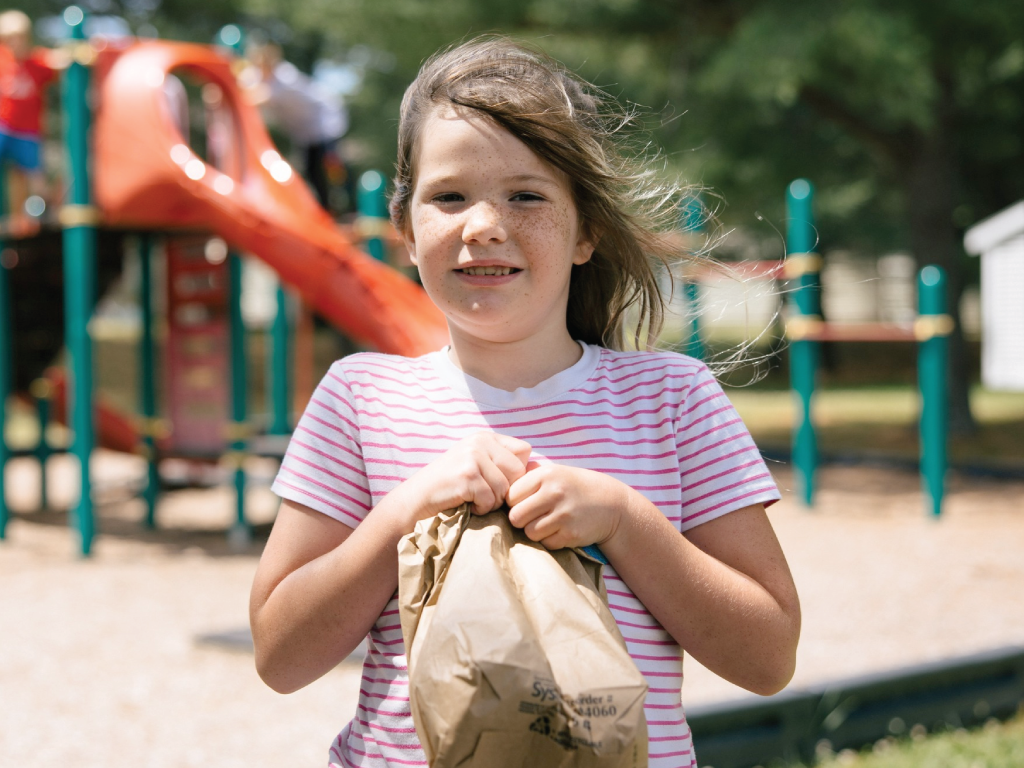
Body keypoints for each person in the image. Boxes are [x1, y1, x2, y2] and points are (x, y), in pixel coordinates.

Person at [250, 37, 801, 768]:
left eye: (527, 195)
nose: (482, 224)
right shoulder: (359, 400)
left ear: (587, 231)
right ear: (407, 231)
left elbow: (767, 658)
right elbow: (280, 656)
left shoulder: (673, 401)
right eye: (449, 196)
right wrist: (406, 512)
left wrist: (624, 520)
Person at [244, 42, 348, 211]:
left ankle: (344, 197)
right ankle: (325, 207)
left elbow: (260, 96)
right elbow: (244, 82)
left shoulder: (286, 76)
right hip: (305, 130)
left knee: (328, 162)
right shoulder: (255, 76)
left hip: (324, 119)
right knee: (310, 170)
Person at [0, 10, 59, 232]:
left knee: (34, 174)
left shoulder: (37, 62)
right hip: (4, 126)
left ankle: (39, 212)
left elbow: (59, 63)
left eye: (18, 38)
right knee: (12, 173)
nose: (13, 44)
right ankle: (15, 215)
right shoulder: (2, 59)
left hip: (28, 130)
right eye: (7, 40)